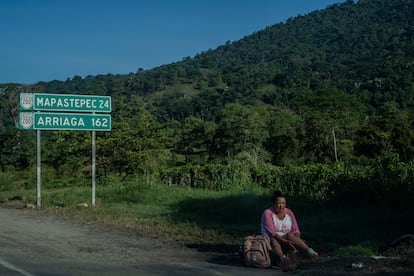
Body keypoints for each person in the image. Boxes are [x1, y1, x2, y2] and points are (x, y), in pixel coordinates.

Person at [261, 190, 318, 269]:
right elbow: (273, 233)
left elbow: (296, 230)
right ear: (274, 204)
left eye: (283, 203)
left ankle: (310, 252)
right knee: (274, 241)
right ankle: (283, 259)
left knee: (289, 235)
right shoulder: (267, 213)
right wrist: (286, 242)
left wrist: (297, 241)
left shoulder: (289, 212)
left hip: (287, 239)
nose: (281, 206)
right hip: (272, 240)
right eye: (278, 203)